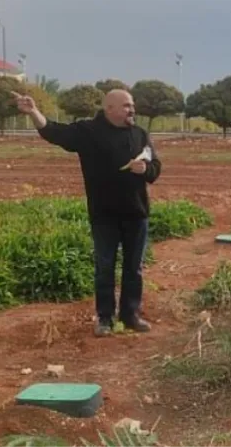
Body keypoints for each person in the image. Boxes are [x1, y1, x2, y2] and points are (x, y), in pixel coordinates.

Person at [12, 89, 162, 337]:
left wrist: (144, 169)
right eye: (126, 105)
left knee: (134, 268)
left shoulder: (140, 134)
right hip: (104, 215)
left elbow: (155, 169)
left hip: (136, 213)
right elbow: (54, 131)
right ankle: (105, 318)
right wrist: (34, 112)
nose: (131, 110)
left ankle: (130, 315)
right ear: (109, 108)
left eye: (132, 105)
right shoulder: (89, 132)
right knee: (104, 268)